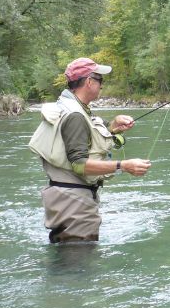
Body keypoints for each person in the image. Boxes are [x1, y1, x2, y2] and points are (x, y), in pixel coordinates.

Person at [34, 57, 152, 243]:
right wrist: (124, 165)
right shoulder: (75, 115)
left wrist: (112, 126)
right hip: (74, 204)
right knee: (78, 266)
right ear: (89, 82)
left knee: (71, 263)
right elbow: (79, 164)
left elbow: (85, 136)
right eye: (100, 80)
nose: (102, 85)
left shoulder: (70, 106)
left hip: (66, 198)